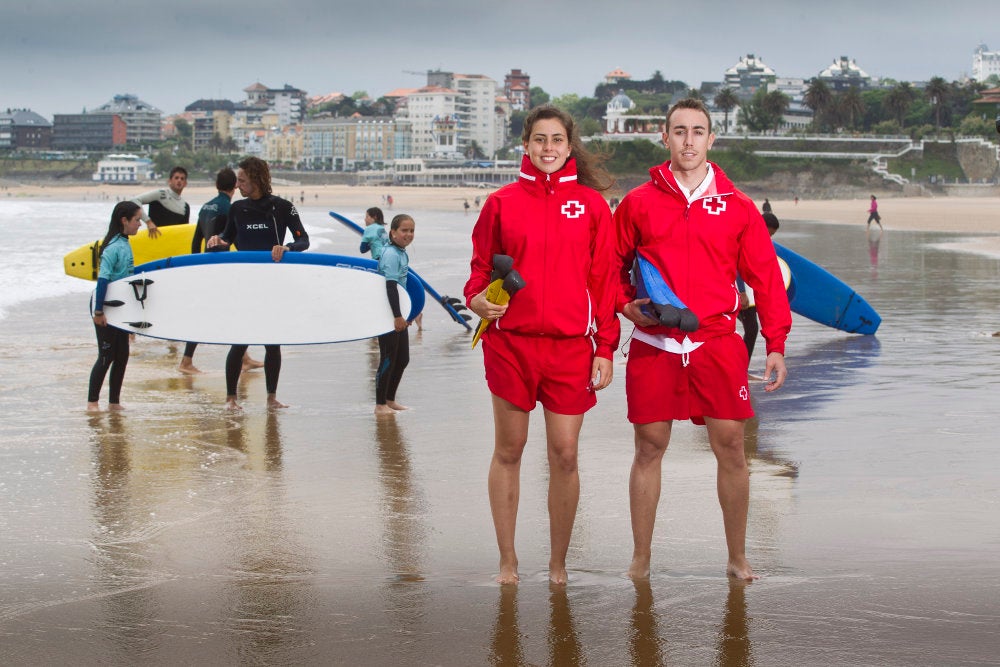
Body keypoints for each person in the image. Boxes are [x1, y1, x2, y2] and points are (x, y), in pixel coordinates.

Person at [614, 98, 791, 582]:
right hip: (655, 342)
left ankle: (737, 557)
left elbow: (766, 279)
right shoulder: (637, 203)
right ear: (665, 138)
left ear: (712, 140)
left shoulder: (737, 207)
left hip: (716, 340)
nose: (688, 140)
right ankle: (641, 559)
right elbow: (607, 268)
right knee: (649, 447)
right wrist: (621, 304)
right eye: (679, 131)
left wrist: (775, 343)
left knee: (731, 445)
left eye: (698, 131)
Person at [464, 104, 620, 586]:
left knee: (565, 454)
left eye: (556, 140)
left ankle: (557, 565)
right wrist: (476, 301)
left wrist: (605, 347)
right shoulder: (501, 203)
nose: (548, 148)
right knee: (509, 450)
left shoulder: (593, 207)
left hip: (571, 348)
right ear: (526, 146)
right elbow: (481, 269)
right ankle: (508, 561)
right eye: (539, 140)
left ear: (569, 146)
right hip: (510, 345)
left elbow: (606, 280)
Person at [208, 157, 310, 410]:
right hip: (244, 282)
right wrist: (216, 242)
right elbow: (226, 237)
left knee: (272, 341)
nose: (238, 184)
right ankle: (231, 399)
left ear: (256, 179)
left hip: (273, 283)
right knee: (240, 339)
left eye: (242, 179)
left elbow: (303, 240)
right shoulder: (237, 208)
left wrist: (286, 247)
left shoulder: (283, 207)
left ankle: (271, 398)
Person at [180, 167, 264, 375]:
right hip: (224, 266)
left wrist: (197, 265)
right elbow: (235, 238)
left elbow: (196, 240)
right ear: (235, 185)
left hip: (207, 264)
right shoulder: (230, 208)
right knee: (227, 310)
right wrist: (250, 260)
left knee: (222, 310)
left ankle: (243, 358)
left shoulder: (206, 207)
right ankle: (186, 362)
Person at [87, 201, 143, 412]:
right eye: (137, 220)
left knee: (122, 355)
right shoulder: (113, 247)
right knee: (106, 356)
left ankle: (114, 402)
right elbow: (103, 280)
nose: (140, 224)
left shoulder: (124, 243)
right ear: (124, 220)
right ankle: (92, 402)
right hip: (106, 310)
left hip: (120, 310)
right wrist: (98, 311)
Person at [375, 214, 416, 416]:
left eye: (411, 231)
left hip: (399, 312)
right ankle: (380, 404)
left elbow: (404, 287)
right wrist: (397, 316)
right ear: (393, 232)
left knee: (402, 359)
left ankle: (390, 400)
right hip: (388, 313)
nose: (408, 234)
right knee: (388, 358)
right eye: (404, 230)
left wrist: (409, 312)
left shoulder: (401, 252)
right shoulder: (391, 254)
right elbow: (390, 287)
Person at [737, 212, 781, 371]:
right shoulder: (743, 236)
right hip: (739, 293)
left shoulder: (756, 241)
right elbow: (736, 264)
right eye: (769, 233)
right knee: (751, 329)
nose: (769, 238)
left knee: (751, 329)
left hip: (749, 295)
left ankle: (740, 369)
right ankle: (738, 370)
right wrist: (741, 292)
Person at [130, 166, 190, 239]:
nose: (179, 180)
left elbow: (184, 231)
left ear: (185, 183)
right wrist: (148, 222)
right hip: (155, 240)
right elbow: (134, 200)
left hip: (172, 243)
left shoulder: (185, 207)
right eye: (176, 178)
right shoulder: (161, 194)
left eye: (182, 178)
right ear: (169, 181)